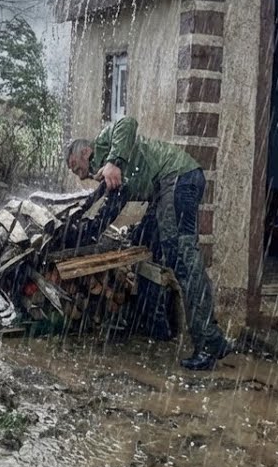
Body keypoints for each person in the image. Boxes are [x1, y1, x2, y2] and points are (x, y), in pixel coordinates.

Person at [66, 116, 234, 371]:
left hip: (178, 178)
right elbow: (111, 204)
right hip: (167, 187)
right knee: (150, 244)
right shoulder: (107, 173)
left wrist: (114, 161)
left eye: (77, 168)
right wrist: (85, 229)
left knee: (184, 261)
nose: (80, 176)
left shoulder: (105, 144)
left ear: (86, 152)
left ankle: (208, 344)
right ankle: (191, 334)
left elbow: (128, 122)